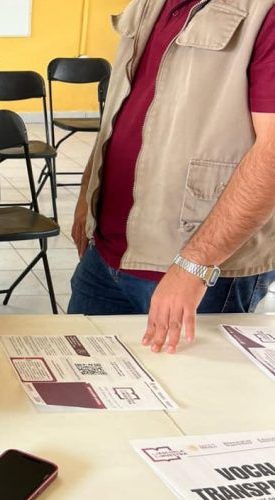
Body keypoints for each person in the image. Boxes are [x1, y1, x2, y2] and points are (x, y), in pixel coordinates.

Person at [69, 0, 275, 354]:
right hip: (105, 255)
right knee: (81, 393)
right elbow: (121, 110)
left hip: (195, 271)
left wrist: (195, 263)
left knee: (186, 403)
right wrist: (86, 200)